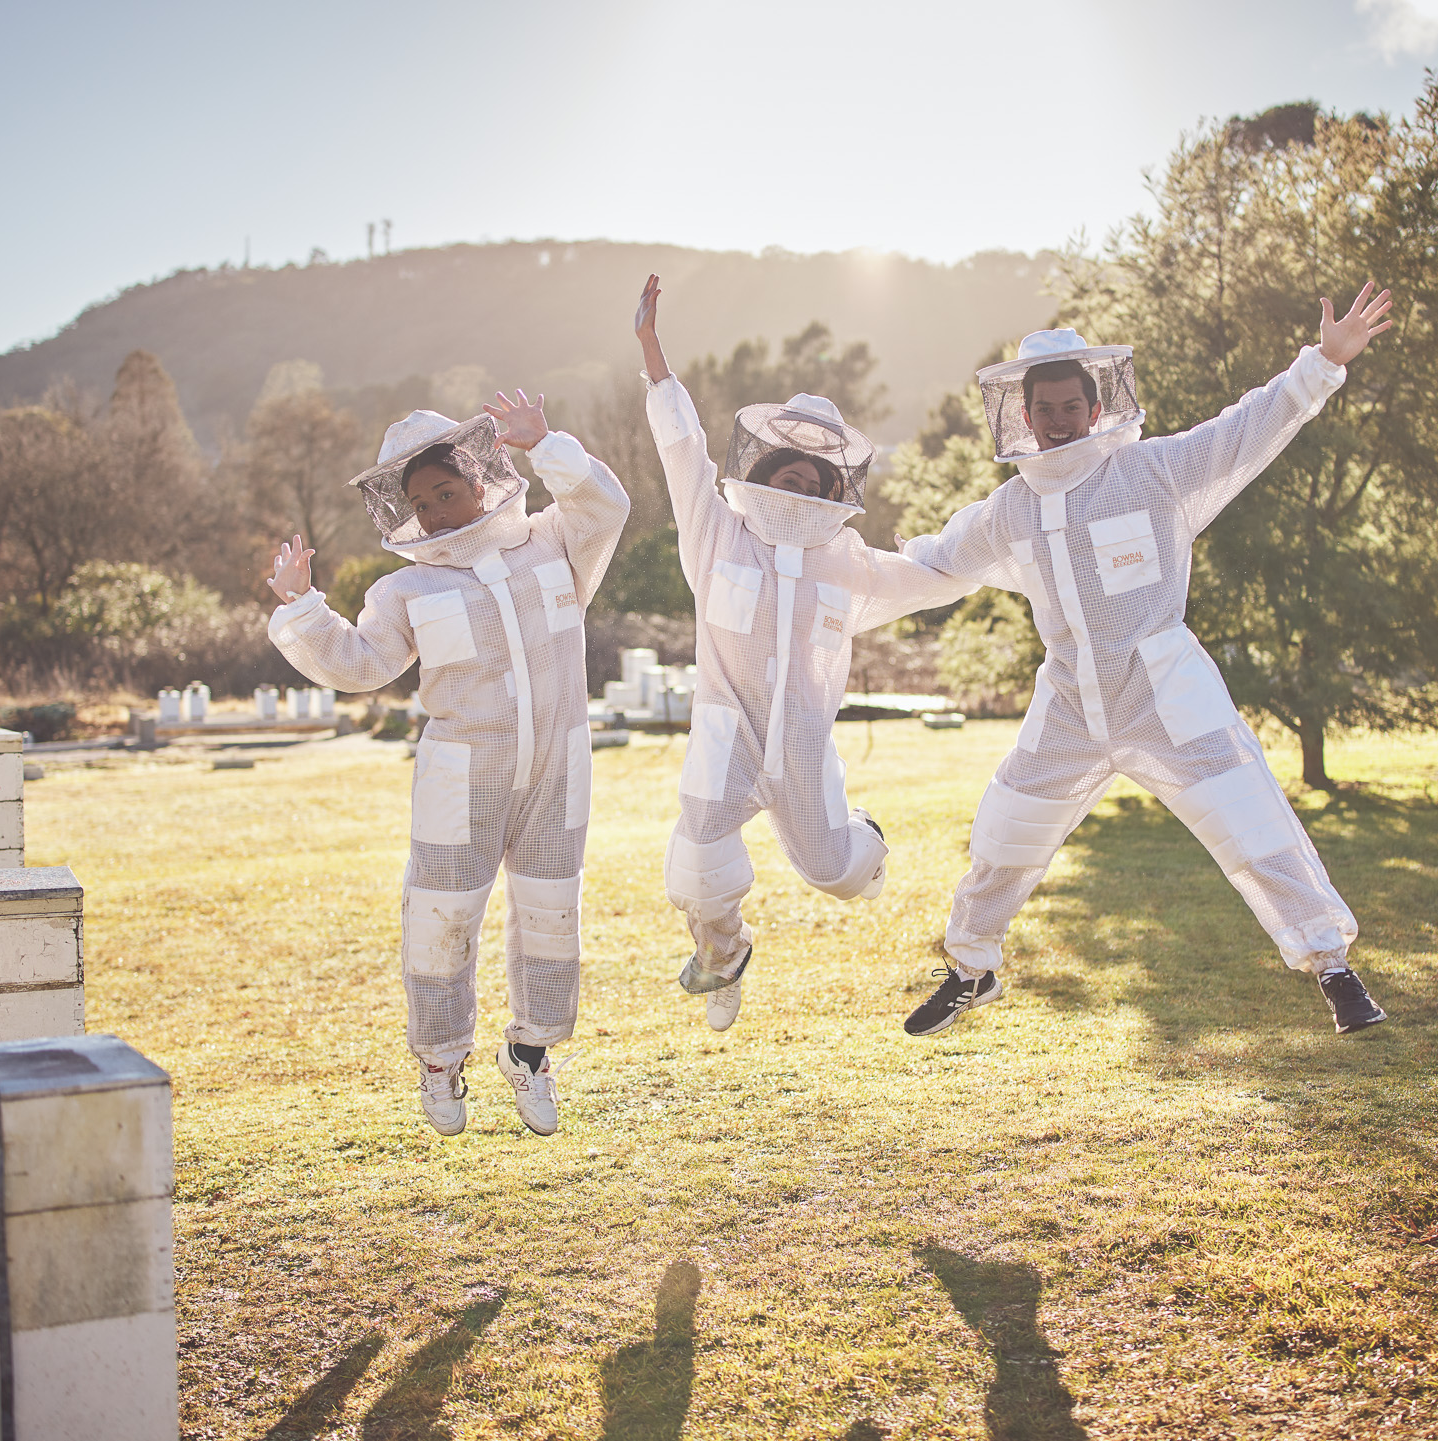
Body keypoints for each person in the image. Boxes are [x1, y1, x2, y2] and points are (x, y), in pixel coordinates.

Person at [899, 285, 1397, 1038]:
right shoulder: (1013, 507)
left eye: (1074, 405)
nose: (1061, 419)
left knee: (1252, 821)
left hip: (1167, 695)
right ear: (1023, 415)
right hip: (1069, 704)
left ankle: (1334, 967)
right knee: (1003, 833)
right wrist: (828, 564)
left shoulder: (1153, 472)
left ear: (1096, 408)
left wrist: (1323, 362)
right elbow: (933, 562)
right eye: (1047, 408)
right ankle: (971, 970)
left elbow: (1246, 429)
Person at [266, 389, 630, 1136]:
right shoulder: (408, 587)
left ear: (480, 478)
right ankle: (440, 1060)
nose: (435, 509)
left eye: (446, 490)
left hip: (557, 770)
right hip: (458, 780)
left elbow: (607, 507)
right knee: (441, 920)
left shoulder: (553, 543)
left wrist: (548, 444)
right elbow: (362, 662)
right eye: (421, 501)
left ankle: (531, 1051)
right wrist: (304, 606)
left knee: (552, 916)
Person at [634, 274, 978, 1031]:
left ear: (833, 488)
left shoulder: (845, 560)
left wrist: (1000, 547)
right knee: (698, 867)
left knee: (837, 873)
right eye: (786, 465)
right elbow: (682, 450)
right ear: (760, 471)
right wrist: (655, 354)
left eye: (815, 473)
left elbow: (924, 577)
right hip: (726, 735)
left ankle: (869, 837)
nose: (800, 476)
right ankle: (723, 958)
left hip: (802, 746)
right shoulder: (715, 531)